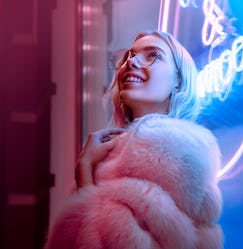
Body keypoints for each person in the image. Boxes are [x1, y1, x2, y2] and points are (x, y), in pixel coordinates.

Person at [44, 30, 224, 249]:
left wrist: (85, 171)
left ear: (178, 80)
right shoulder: (111, 150)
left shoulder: (172, 150)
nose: (132, 62)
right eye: (129, 56)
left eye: (153, 55)